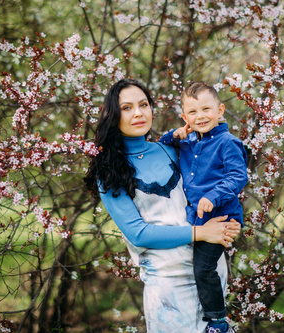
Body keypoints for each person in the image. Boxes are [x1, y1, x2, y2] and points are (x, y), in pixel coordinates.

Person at [83, 79, 241, 333]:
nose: (138, 113)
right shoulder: (110, 171)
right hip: (169, 290)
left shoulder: (172, 150)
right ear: (113, 115)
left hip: (209, 276)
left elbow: (214, 181)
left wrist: (229, 223)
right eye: (126, 107)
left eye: (143, 104)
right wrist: (200, 232)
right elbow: (138, 233)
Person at [159, 81, 248, 333]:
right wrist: (174, 135)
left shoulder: (228, 143)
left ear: (220, 111)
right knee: (191, 266)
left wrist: (214, 195)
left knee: (204, 267)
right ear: (185, 117)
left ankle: (218, 321)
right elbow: (162, 144)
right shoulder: (188, 142)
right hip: (197, 219)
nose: (201, 116)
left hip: (222, 216)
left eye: (206, 109)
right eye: (193, 112)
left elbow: (237, 176)